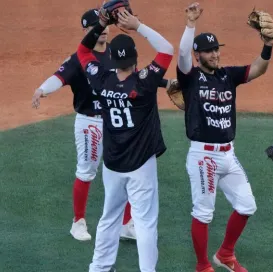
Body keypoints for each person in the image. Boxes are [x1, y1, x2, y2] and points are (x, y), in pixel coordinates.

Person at [31, 8, 175, 242]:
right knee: (87, 171)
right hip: (89, 121)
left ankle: (126, 224)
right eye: (95, 27)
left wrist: (166, 82)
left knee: (128, 166)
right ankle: (78, 222)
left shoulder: (117, 53)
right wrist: (42, 89)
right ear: (86, 31)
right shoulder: (80, 58)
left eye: (104, 26)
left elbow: (135, 79)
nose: (102, 31)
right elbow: (59, 77)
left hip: (113, 123)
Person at [176, 3, 273, 272]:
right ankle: (202, 266)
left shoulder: (226, 75)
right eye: (209, 51)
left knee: (247, 206)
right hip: (203, 156)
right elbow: (182, 56)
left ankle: (225, 254)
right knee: (203, 213)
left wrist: (267, 45)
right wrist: (190, 24)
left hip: (227, 154)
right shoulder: (191, 78)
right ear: (198, 55)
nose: (215, 54)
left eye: (216, 49)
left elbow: (258, 69)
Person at [76, 6, 174, 272]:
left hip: (112, 164)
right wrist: (137, 25)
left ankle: (99, 267)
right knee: (144, 223)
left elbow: (83, 52)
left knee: (109, 217)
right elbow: (166, 49)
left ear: (110, 57)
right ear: (135, 58)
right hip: (141, 165)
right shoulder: (144, 81)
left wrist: (100, 24)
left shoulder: (101, 80)